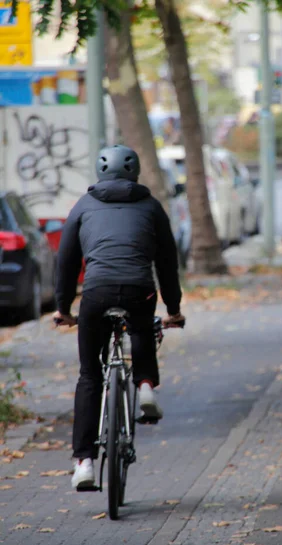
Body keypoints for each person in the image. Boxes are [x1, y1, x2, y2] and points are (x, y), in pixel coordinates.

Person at [53, 144, 185, 490]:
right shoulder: (151, 207)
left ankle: (83, 462)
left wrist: (64, 308)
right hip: (139, 289)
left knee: (89, 375)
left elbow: (66, 261)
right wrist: (173, 310)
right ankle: (144, 386)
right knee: (142, 327)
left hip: (96, 295)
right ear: (135, 172)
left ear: (99, 172)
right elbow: (167, 263)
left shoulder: (83, 205)